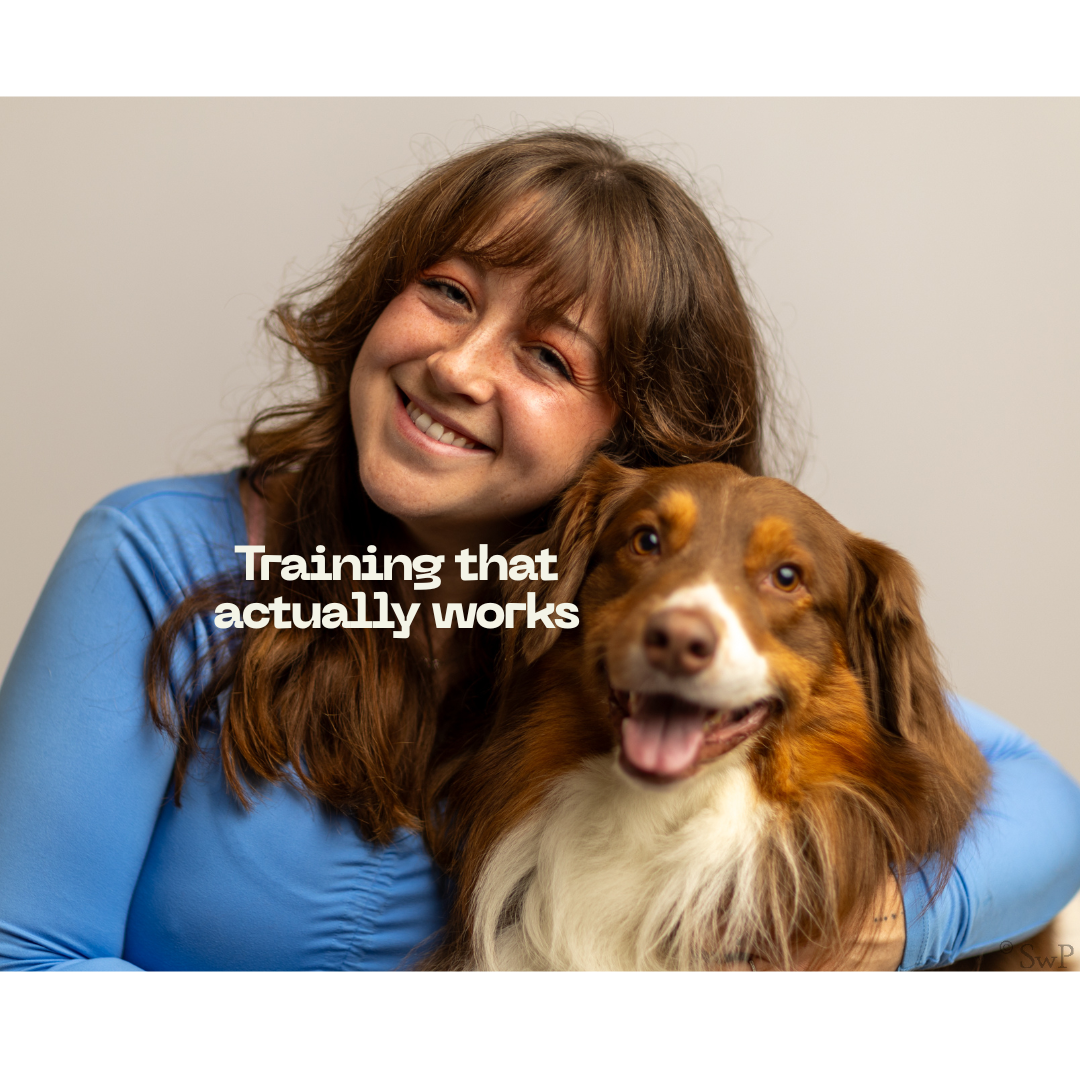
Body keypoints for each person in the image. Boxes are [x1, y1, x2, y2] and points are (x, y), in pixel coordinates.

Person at [0, 129, 1078, 971]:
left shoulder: (608, 614)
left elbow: (1035, 797)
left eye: (548, 358)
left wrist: (896, 927)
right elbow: (25, 962)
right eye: (448, 293)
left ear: (634, 437)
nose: (458, 366)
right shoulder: (153, 554)